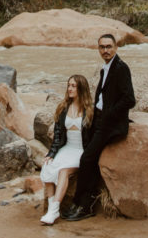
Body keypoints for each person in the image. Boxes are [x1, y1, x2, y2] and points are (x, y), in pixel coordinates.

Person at [61, 33, 135, 222]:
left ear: (116, 47)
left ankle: (83, 206)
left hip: (110, 124)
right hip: (100, 119)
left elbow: (129, 99)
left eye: (109, 47)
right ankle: (84, 204)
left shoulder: (121, 68)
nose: (105, 50)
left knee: (86, 159)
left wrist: (109, 114)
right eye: (102, 47)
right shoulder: (106, 69)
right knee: (89, 157)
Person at [39, 74, 93, 225]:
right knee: (48, 165)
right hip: (67, 148)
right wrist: (51, 153)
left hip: (81, 151)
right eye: (69, 85)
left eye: (73, 86)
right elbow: (57, 135)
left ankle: (54, 209)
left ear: (81, 88)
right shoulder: (63, 108)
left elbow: (95, 135)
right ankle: (52, 209)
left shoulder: (90, 110)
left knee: (63, 171)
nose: (69, 89)